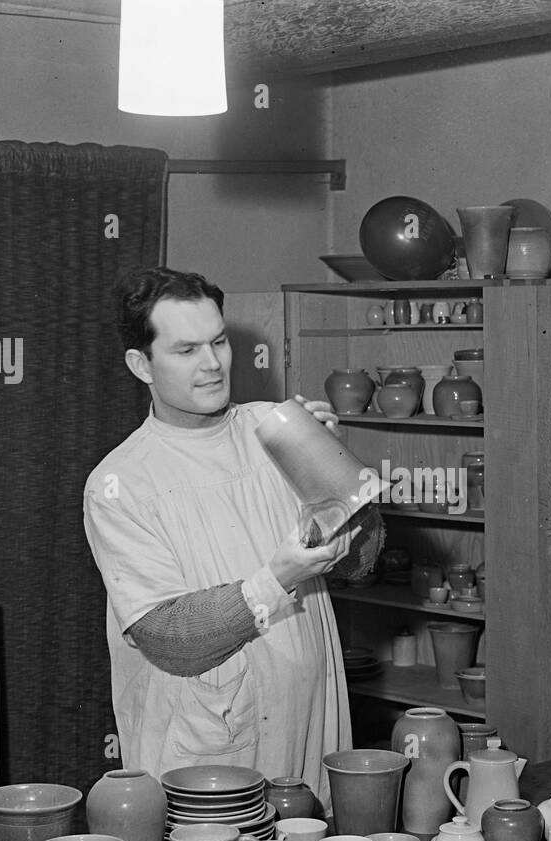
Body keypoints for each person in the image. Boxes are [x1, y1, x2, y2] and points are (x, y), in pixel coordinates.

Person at [83, 266, 382, 804]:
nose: (213, 364)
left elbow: (361, 562)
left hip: (310, 728)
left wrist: (333, 477)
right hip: (207, 751)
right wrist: (277, 579)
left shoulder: (274, 427)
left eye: (219, 341)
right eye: (186, 349)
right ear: (140, 364)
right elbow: (168, 639)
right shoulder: (120, 483)